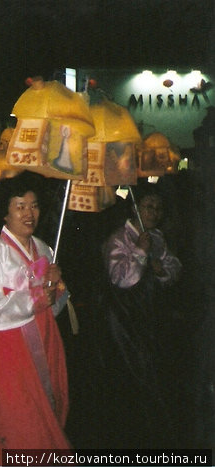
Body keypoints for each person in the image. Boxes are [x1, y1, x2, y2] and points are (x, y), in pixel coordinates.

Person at [0, 173, 70, 464]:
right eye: (20, 206)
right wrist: (35, 298)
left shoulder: (45, 249)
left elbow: (58, 306)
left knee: (47, 405)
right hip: (8, 348)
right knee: (19, 414)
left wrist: (56, 286)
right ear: (5, 210)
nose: (29, 213)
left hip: (44, 339)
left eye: (34, 206)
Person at [97, 183, 182, 447]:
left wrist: (161, 270)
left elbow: (174, 266)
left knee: (152, 371)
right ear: (135, 208)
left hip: (148, 316)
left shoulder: (156, 237)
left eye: (158, 208)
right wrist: (140, 252)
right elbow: (120, 278)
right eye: (149, 206)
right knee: (131, 373)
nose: (154, 213)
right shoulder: (117, 238)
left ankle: (150, 434)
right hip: (123, 319)